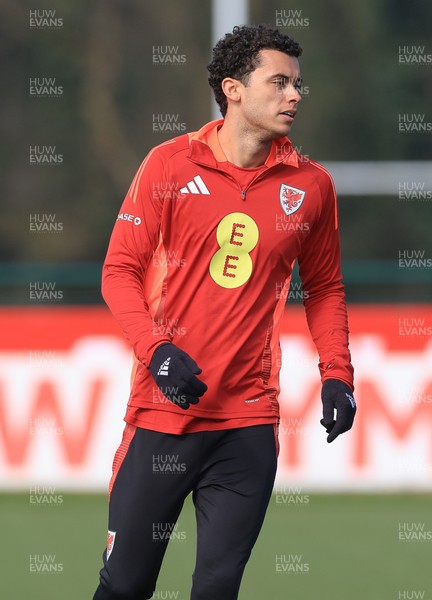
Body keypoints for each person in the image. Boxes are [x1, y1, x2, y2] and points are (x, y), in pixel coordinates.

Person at [93, 23, 356, 600]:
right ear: (233, 89)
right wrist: (158, 352)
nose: (294, 96)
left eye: (298, 84)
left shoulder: (311, 186)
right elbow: (118, 272)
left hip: (248, 425)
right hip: (163, 417)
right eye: (279, 82)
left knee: (217, 589)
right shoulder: (168, 165)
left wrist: (337, 375)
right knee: (125, 586)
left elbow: (326, 287)